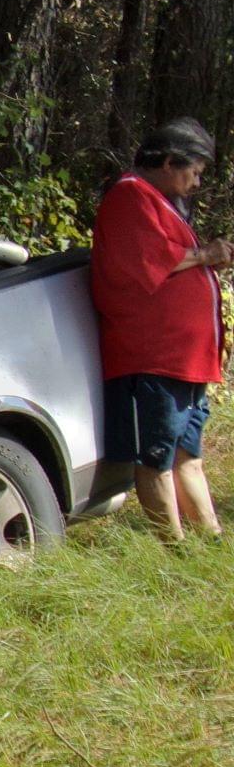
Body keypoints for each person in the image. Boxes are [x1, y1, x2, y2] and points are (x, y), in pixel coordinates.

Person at [91, 117, 234, 539]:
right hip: (152, 358)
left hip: (183, 360)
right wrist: (206, 253)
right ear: (170, 161)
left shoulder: (157, 200)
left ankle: (210, 540)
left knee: (187, 455)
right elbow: (147, 262)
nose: (197, 181)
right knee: (155, 458)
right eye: (195, 171)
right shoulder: (129, 196)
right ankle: (174, 551)